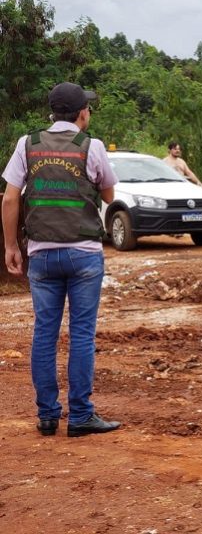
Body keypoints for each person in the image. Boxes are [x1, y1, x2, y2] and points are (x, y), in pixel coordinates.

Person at [1, 82, 122, 438]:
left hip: (41, 254)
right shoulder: (92, 147)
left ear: (52, 113)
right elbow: (109, 193)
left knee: (44, 333)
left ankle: (48, 416)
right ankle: (81, 415)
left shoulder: (28, 145)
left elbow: (10, 200)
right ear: (82, 112)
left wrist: (11, 245)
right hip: (84, 254)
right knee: (81, 334)